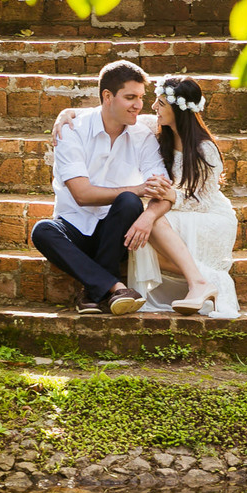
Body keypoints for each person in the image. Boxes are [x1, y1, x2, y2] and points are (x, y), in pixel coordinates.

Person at [54, 76, 241, 318]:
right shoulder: (155, 126)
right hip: (174, 208)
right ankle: (198, 279)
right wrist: (66, 113)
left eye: (161, 103)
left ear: (177, 110)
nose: (153, 107)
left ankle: (199, 283)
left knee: (150, 221)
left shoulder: (205, 150)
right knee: (144, 223)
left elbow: (203, 200)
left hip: (208, 215)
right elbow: (108, 110)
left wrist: (170, 196)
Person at [31, 60, 175, 315]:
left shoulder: (143, 133)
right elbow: (82, 195)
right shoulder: (72, 129)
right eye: (130, 97)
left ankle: (92, 289)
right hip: (74, 228)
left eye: (141, 98)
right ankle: (115, 288)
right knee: (42, 230)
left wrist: (150, 215)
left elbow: (163, 190)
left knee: (130, 202)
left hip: (116, 233)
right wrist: (140, 189)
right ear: (107, 96)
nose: (139, 105)